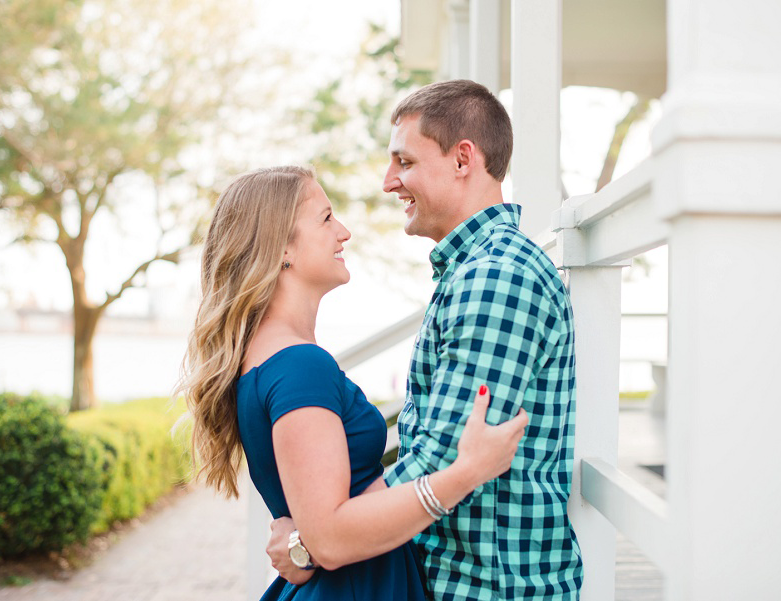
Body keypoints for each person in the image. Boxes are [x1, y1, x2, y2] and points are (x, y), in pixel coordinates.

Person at [269, 80, 583, 599]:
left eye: (405, 162)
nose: (389, 181)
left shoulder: (495, 279)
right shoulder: (472, 272)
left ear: (463, 159)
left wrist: (317, 540)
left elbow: (442, 459)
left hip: (487, 589)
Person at [177, 165, 529, 601]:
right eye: (326, 219)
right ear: (279, 247)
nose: (343, 232)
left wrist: (299, 541)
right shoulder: (298, 365)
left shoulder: (271, 357)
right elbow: (330, 537)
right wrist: (468, 472)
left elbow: (315, 527)